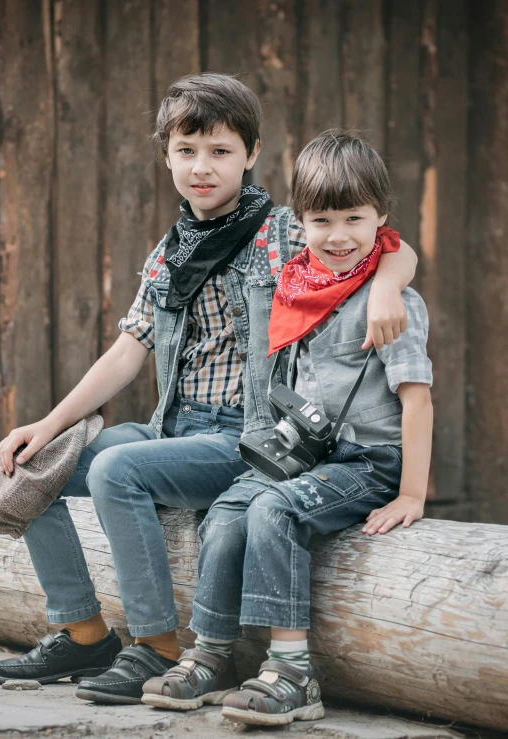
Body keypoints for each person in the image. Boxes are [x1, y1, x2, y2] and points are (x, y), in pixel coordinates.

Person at [0, 78, 417, 705]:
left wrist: (382, 288)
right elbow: (128, 350)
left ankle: (157, 646)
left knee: (115, 470)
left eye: (219, 151)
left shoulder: (281, 232)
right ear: (166, 156)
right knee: (32, 469)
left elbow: (387, 245)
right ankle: (82, 631)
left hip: (245, 436)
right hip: (171, 428)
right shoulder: (169, 252)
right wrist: (45, 427)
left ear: (251, 153)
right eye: (187, 150)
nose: (202, 167)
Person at [142, 130, 433, 726]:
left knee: (270, 509)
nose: (340, 235)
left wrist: (411, 493)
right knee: (225, 510)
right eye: (322, 220)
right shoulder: (299, 288)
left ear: (382, 218)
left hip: (367, 462)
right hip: (308, 453)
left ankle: (293, 669)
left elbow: (417, 401)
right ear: (299, 222)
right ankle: (211, 655)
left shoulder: (393, 303)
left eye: (355, 218)